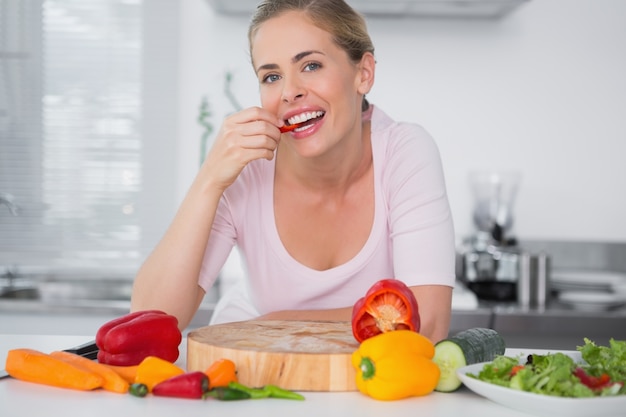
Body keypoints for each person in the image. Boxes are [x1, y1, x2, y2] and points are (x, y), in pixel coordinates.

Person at [131, 0, 456, 343]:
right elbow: (146, 324)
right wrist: (209, 179)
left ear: (364, 74)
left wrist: (273, 323)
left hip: (295, 353)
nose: (289, 92)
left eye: (311, 65)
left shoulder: (404, 152)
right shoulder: (248, 168)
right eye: (271, 76)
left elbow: (428, 321)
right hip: (252, 365)